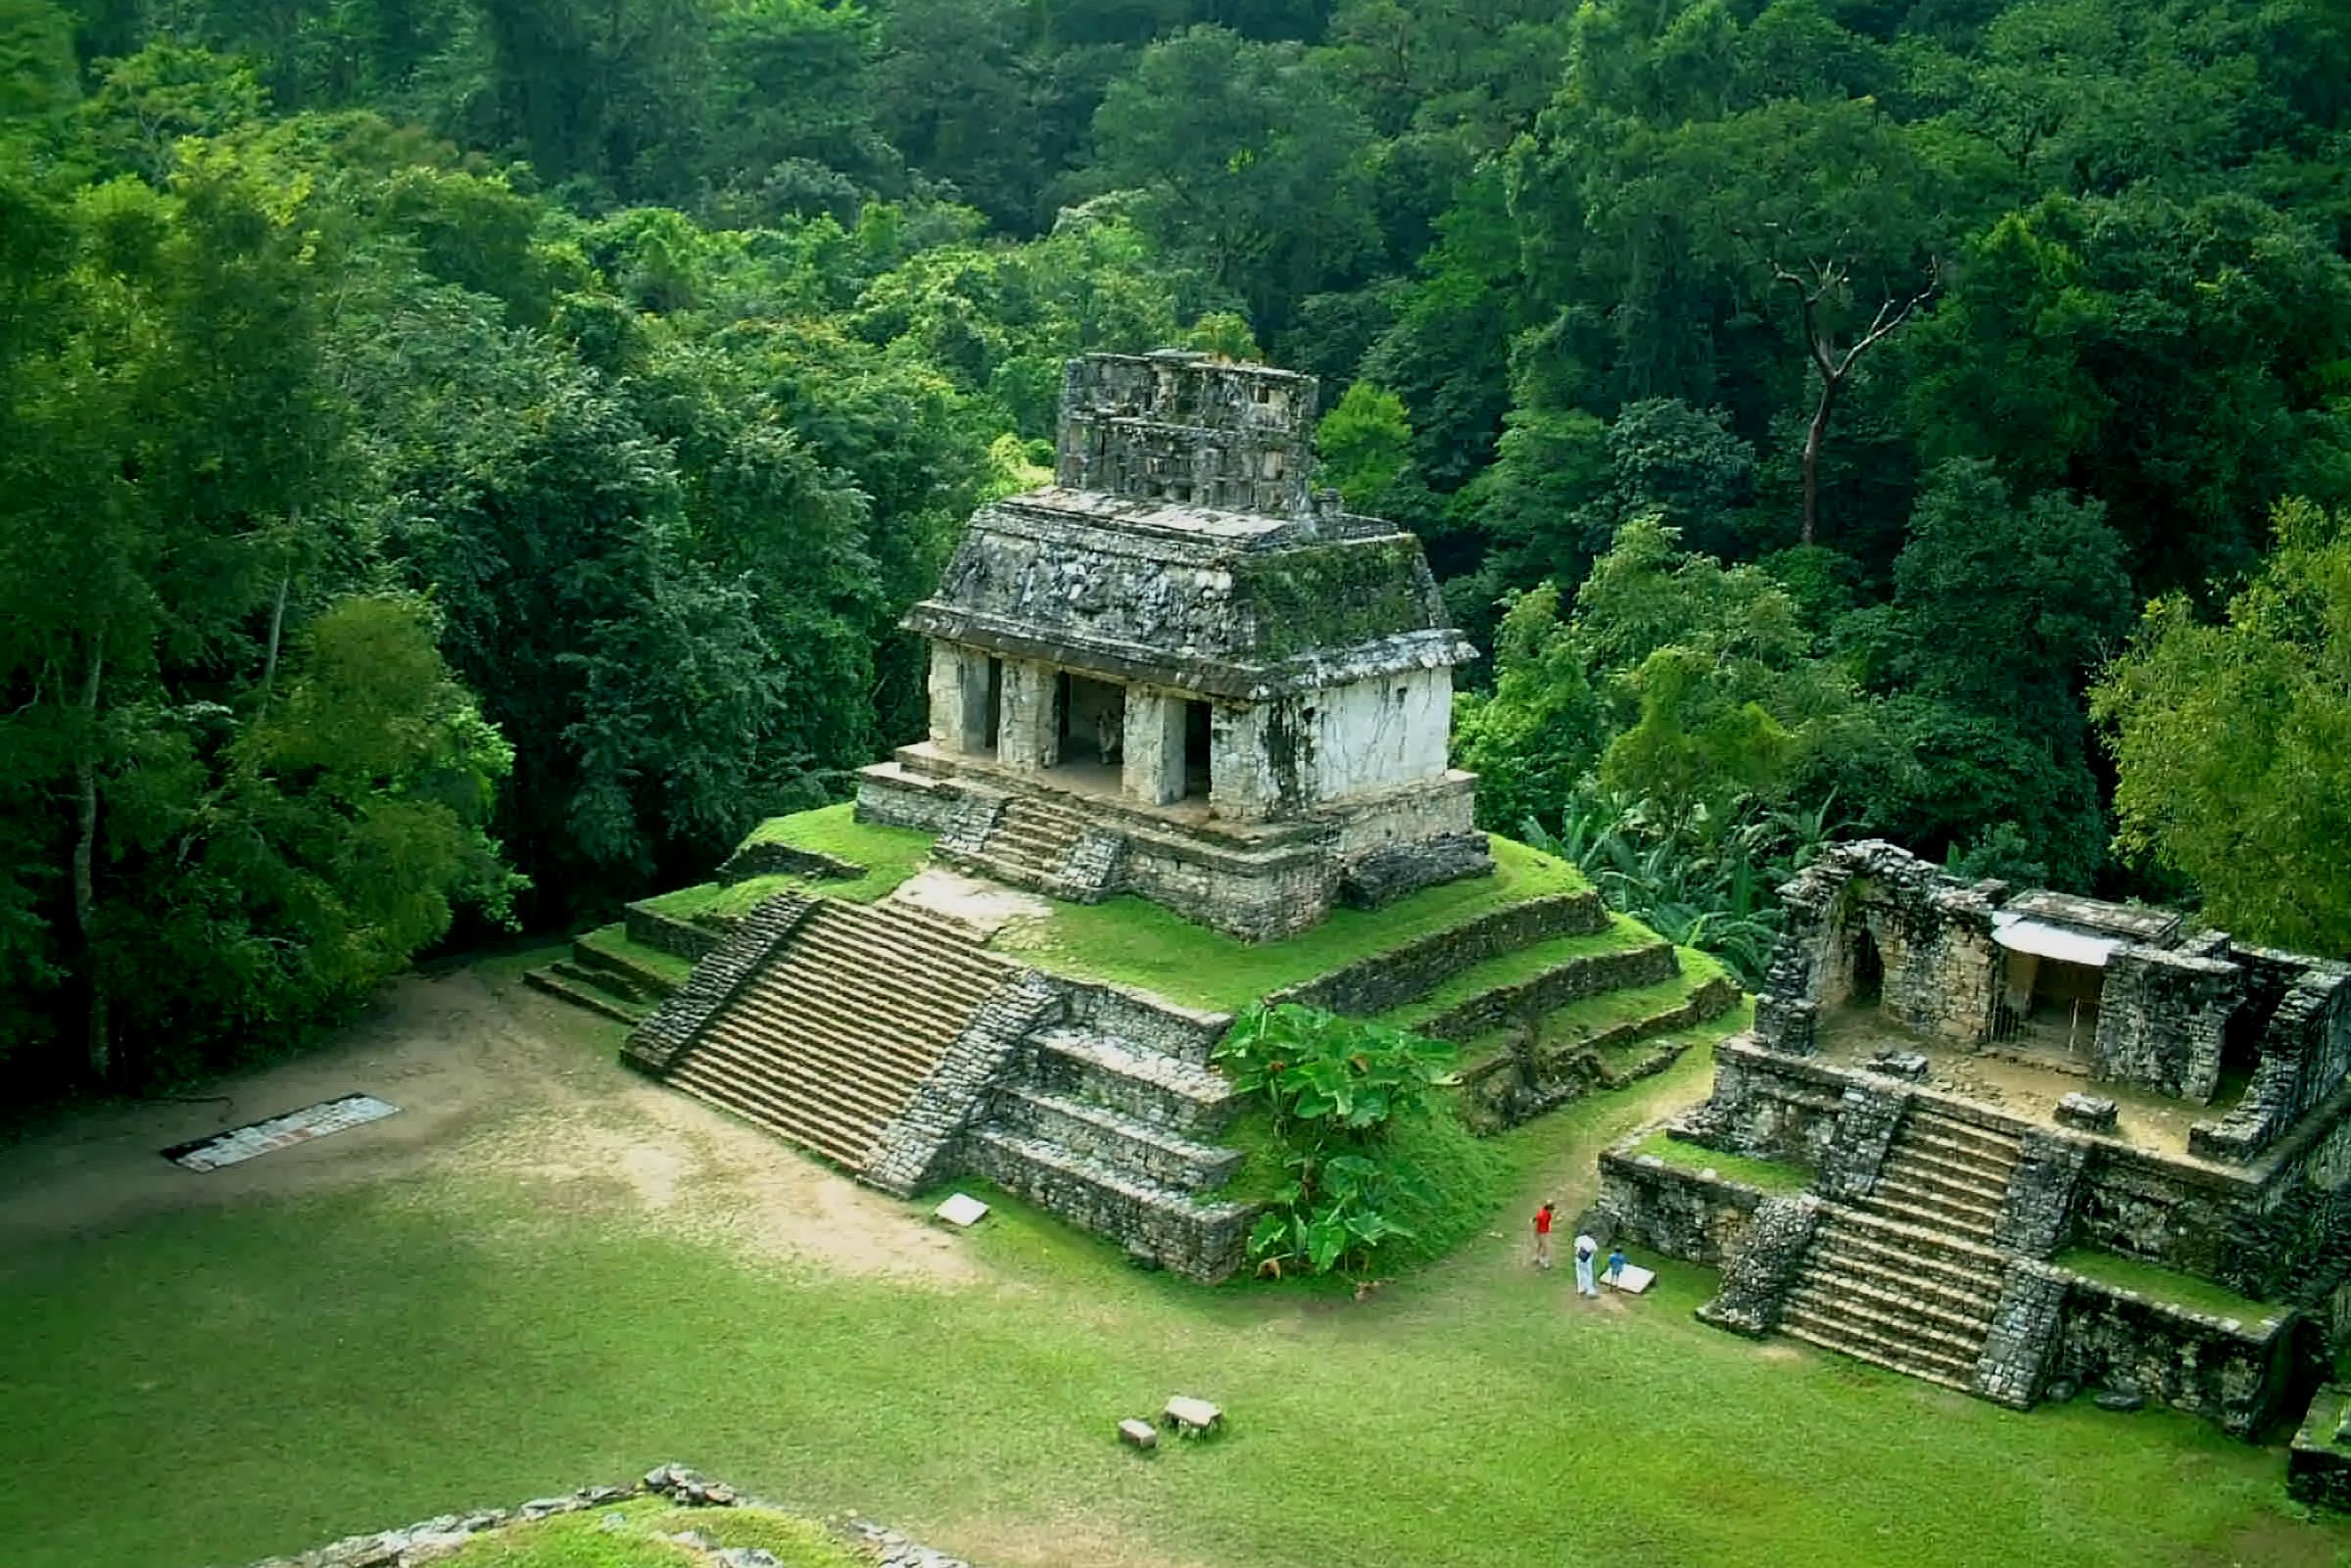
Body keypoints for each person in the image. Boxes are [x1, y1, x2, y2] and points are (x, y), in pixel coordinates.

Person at [1573, 1231, 1600, 1299]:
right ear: (1590, 1234)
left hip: (1578, 1259)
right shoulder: (1591, 1241)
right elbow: (1595, 1250)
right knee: (1588, 1274)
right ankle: (1590, 1290)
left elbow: (1575, 1247)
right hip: (1588, 1261)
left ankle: (1580, 1289)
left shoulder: (1579, 1239)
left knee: (1579, 1273)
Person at [1531, 1202, 1555, 1268]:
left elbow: (1547, 1222)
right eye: (1552, 1210)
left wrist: (1548, 1229)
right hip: (1540, 1232)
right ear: (1548, 1209)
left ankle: (1536, 1257)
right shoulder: (1541, 1214)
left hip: (1544, 1232)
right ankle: (1544, 1261)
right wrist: (1536, 1233)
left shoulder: (1548, 1214)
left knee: (1540, 1245)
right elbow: (1536, 1221)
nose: (1552, 1211)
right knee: (1545, 1247)